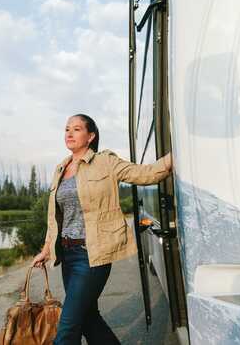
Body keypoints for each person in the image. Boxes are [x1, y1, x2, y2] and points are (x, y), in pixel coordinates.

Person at [32, 114, 172, 345]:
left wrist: (176, 157)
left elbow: (145, 173)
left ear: (91, 136)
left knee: (67, 328)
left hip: (92, 256)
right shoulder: (61, 168)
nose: (69, 133)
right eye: (67, 129)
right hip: (68, 255)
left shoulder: (105, 162)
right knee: (88, 318)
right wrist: (47, 248)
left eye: (77, 129)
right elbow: (55, 217)